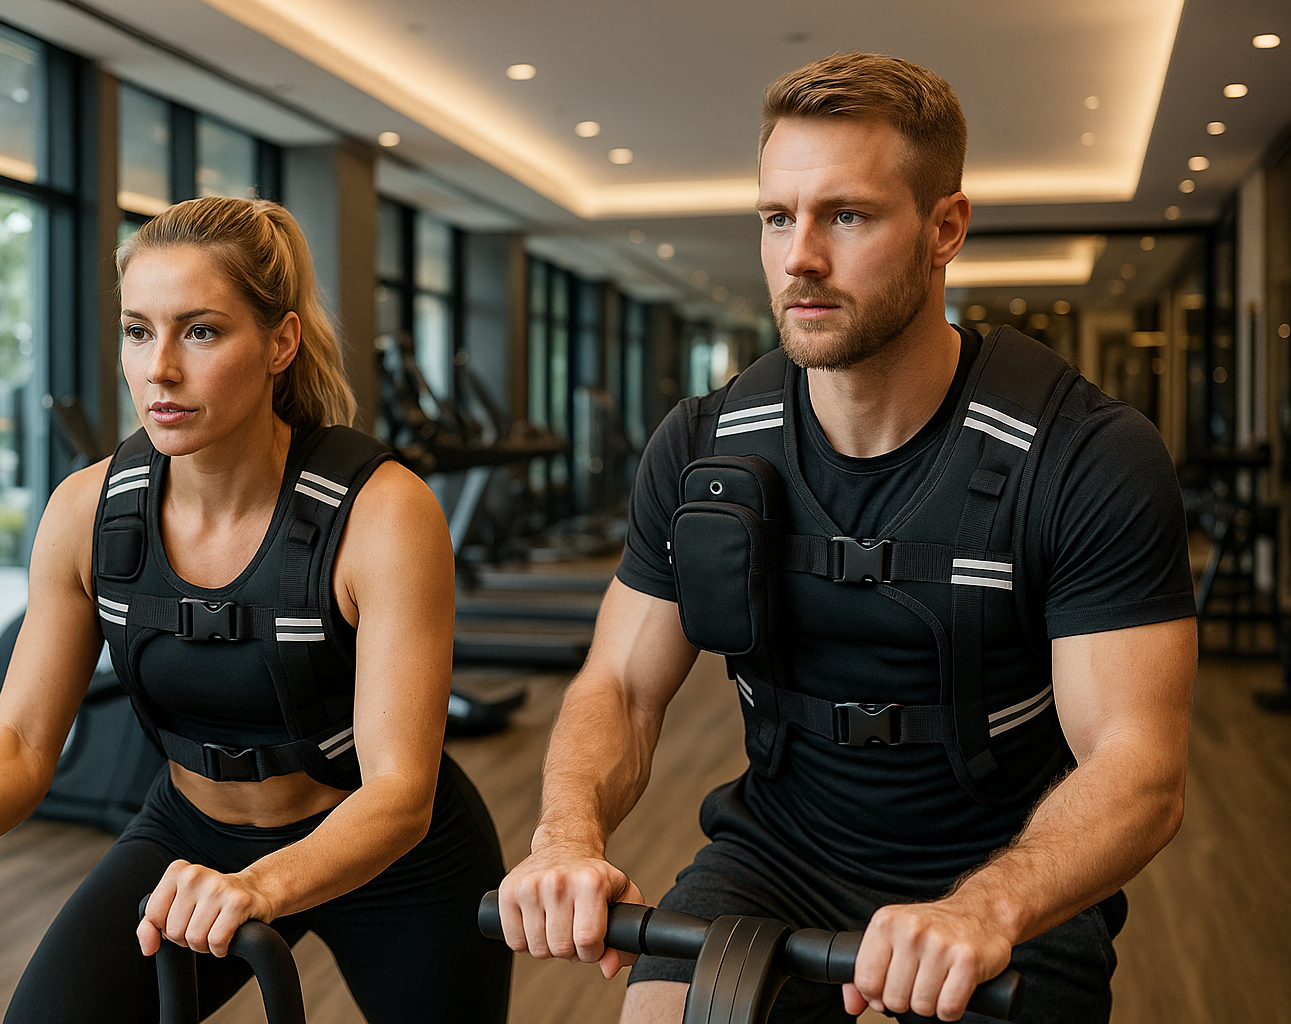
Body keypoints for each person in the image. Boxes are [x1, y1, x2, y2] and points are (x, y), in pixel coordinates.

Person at [497, 52, 1196, 1024]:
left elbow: (1138, 764)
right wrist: (565, 836)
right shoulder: (702, 444)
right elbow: (617, 684)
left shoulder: (1086, 456)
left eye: (847, 215)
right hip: (776, 851)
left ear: (946, 227)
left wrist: (982, 908)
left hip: (1007, 870)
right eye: (777, 218)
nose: (799, 257)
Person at [0, 196, 511, 1023]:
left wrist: (261, 885)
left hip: (392, 853)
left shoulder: (382, 515)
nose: (158, 369)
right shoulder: (87, 511)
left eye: (200, 331)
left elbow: (401, 792)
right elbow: (17, 739)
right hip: (195, 833)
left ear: (280, 343)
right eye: (137, 331)